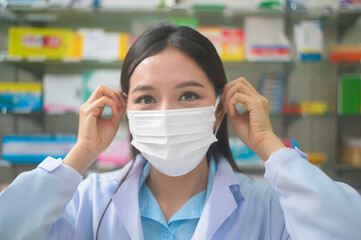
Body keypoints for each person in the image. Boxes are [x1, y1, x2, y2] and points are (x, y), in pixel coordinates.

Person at [0, 22, 360, 240]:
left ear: (219, 109)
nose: (167, 113)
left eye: (188, 95)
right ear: (126, 111)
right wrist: (79, 156)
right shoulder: (87, 202)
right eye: (146, 99)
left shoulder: (268, 207)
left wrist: (272, 149)